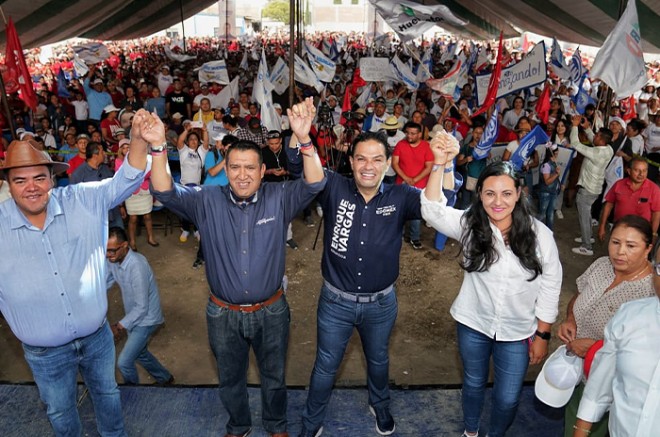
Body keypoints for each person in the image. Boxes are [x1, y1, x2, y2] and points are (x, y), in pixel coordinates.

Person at [150, 97, 326, 437]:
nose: (242, 175)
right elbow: (163, 190)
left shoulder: (280, 197)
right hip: (223, 314)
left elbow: (316, 183)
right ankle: (239, 425)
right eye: (235, 168)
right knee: (230, 379)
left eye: (250, 168)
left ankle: (276, 426)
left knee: (274, 377)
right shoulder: (205, 199)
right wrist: (159, 146)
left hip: (272, 310)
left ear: (263, 171)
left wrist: (304, 139)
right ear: (224, 169)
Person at [298, 130, 460, 437]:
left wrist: (440, 165)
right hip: (335, 303)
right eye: (361, 159)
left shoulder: (401, 196)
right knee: (324, 366)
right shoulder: (333, 186)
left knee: (379, 359)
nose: (368, 166)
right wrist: (303, 138)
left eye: (376, 159)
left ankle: (380, 404)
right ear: (351, 161)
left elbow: (435, 206)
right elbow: (304, 171)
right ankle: (310, 421)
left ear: (387, 164)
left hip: (381, 305)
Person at [0, 109, 150, 436]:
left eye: (39, 177)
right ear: (7, 184)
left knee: (108, 395)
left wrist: (138, 140)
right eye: (20, 180)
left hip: (97, 337)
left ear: (52, 178)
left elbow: (129, 178)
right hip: (44, 353)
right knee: (60, 411)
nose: (32, 187)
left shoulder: (82, 200)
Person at [422, 155, 562, 437]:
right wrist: (438, 164)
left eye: (506, 193)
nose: (498, 201)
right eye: (490, 193)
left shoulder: (541, 236)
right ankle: (471, 431)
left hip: (518, 332)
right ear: (480, 195)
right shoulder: (469, 226)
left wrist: (543, 335)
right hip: (473, 324)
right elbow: (432, 212)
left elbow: (551, 284)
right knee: (473, 383)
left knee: (508, 398)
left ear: (519, 194)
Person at [555, 215, 655, 437]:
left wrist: (593, 348)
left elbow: (644, 356)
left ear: (648, 248)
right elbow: (578, 296)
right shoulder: (601, 265)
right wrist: (570, 318)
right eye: (615, 242)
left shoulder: (649, 293)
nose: (620, 252)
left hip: (609, 383)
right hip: (574, 367)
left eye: (631, 246)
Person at [106, 226, 173, 386]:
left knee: (124, 362)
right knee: (139, 353)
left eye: (112, 251)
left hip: (147, 319)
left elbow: (142, 307)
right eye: (106, 250)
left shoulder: (137, 266)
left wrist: (119, 326)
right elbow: (104, 283)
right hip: (133, 316)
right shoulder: (113, 260)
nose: (108, 255)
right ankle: (165, 379)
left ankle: (134, 391)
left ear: (125, 246)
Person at [568, 115, 614, 256]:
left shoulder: (596, 153)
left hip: (587, 190)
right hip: (595, 188)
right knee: (586, 214)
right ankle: (589, 237)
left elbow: (575, 144)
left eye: (597, 135)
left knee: (583, 216)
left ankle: (587, 246)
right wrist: (587, 128)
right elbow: (594, 140)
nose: (595, 136)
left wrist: (575, 126)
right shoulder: (608, 149)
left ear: (601, 139)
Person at [391, 121, 434, 250]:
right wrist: (406, 178)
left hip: (419, 186)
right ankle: (400, 235)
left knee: (416, 213)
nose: (409, 136)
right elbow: (395, 163)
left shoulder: (427, 146)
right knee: (400, 212)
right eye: (408, 133)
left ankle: (415, 237)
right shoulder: (400, 144)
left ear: (420, 134)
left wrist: (414, 180)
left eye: (413, 134)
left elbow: (429, 167)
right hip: (402, 184)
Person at [598, 158, 660, 241]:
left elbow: (656, 213)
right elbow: (608, 205)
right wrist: (602, 226)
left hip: (641, 232)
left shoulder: (654, 189)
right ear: (629, 171)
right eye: (637, 170)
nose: (641, 174)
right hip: (619, 228)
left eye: (644, 170)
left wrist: (653, 233)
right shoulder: (619, 185)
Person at [115, 138, 159, 250]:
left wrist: (140, 176)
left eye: (128, 147)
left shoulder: (143, 158)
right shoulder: (119, 161)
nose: (126, 150)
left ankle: (150, 238)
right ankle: (132, 242)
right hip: (131, 192)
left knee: (148, 216)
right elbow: (121, 178)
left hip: (145, 190)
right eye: (123, 148)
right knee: (133, 218)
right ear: (120, 150)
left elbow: (150, 173)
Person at [538, 144, 562, 230]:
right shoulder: (546, 165)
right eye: (556, 153)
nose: (557, 154)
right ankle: (537, 232)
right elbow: (547, 182)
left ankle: (549, 233)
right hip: (546, 193)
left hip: (553, 192)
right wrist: (556, 174)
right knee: (542, 214)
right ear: (553, 153)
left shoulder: (553, 163)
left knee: (550, 214)